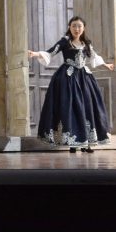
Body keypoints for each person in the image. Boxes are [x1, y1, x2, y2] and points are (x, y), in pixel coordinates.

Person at [28, 15, 113, 153]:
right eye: (74, 26)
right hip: (68, 78)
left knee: (87, 107)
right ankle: (73, 142)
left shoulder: (86, 43)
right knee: (71, 108)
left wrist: (106, 65)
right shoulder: (65, 41)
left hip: (84, 78)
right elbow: (51, 52)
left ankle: (87, 143)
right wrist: (35, 54)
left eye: (79, 26)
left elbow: (94, 58)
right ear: (69, 27)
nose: (76, 29)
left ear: (83, 28)